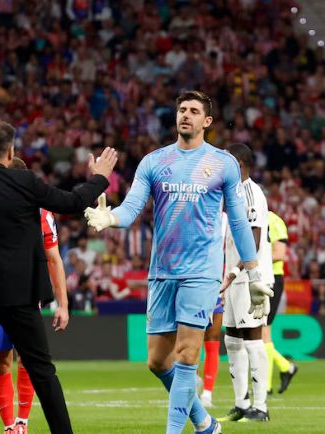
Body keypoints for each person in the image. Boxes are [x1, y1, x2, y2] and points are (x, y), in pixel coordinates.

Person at [84, 91, 272, 434]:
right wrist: (109, 218)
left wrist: (254, 270)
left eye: (194, 111)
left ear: (207, 121)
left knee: (187, 356)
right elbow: (130, 208)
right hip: (163, 272)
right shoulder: (154, 162)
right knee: (157, 361)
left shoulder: (223, 163)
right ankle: (204, 423)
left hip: (201, 274)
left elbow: (239, 222)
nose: (186, 115)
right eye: (182, 110)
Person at [0, 120, 117, 434]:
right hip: (20, 295)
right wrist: (100, 178)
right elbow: (71, 203)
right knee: (43, 372)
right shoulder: (26, 182)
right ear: (10, 150)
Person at [0, 157, 71, 434]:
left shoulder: (41, 213)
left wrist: (63, 303)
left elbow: (54, 258)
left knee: (26, 359)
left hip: (26, 295)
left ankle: (22, 422)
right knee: (1, 360)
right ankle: (10, 426)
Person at [220, 143, 274, 423]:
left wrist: (235, 271)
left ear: (239, 164)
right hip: (233, 276)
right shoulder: (231, 193)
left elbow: (252, 238)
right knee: (232, 339)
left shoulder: (251, 192)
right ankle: (241, 403)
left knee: (253, 337)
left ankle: (261, 407)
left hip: (251, 277)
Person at [264, 211, 297, 395]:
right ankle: (285, 367)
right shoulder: (246, 216)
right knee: (258, 333)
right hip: (257, 278)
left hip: (272, 278)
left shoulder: (274, 221)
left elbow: (279, 253)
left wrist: (251, 261)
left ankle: (265, 385)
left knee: (263, 331)